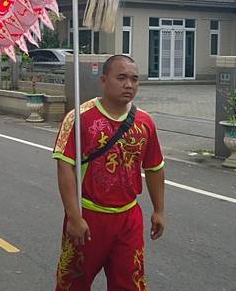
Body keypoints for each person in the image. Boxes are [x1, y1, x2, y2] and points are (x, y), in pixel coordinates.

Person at [53, 54, 165, 291]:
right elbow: (65, 166)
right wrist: (74, 217)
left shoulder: (145, 123)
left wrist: (159, 210)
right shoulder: (79, 117)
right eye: (121, 78)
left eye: (134, 79)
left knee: (130, 285)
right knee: (73, 284)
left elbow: (154, 167)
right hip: (88, 216)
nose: (129, 85)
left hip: (128, 218)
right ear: (104, 80)